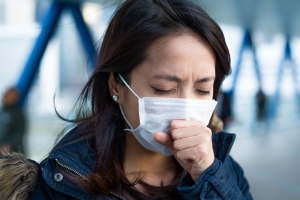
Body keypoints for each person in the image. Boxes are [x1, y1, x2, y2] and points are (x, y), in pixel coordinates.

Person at [0, 0, 253, 199]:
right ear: (117, 86)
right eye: (164, 89)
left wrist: (209, 177)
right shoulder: (61, 182)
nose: (185, 111)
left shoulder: (225, 169)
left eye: (202, 90)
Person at [0, 87, 26, 158]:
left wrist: (8, 145)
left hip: (13, 153)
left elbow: (19, 132)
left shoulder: (18, 113)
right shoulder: (2, 111)